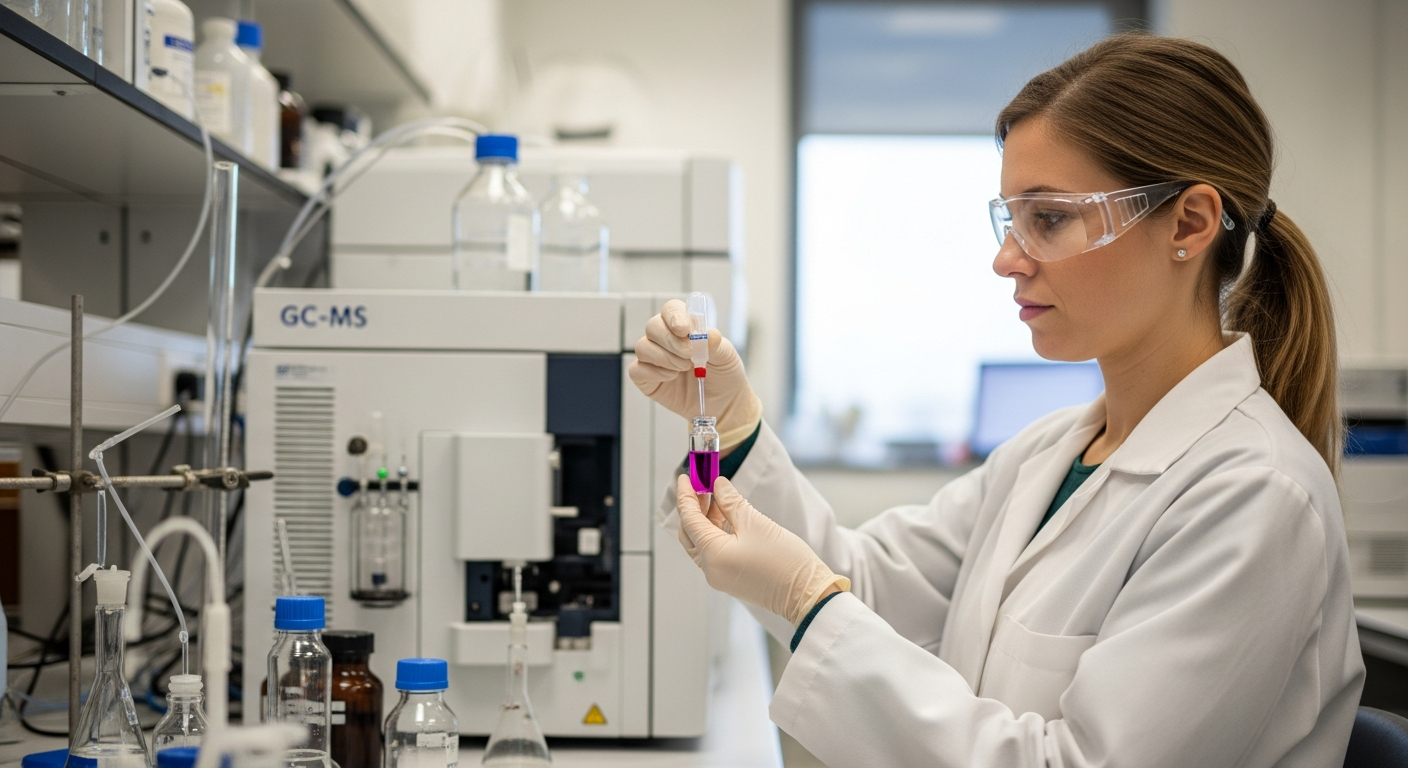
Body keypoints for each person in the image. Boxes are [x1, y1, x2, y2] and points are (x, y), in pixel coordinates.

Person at [629, 33, 1364, 767]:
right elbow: (864, 581)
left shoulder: (1255, 497)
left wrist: (806, 601)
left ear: (1190, 224)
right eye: (1011, 219)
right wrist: (733, 425)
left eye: (1047, 219)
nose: (1006, 258)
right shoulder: (1046, 453)